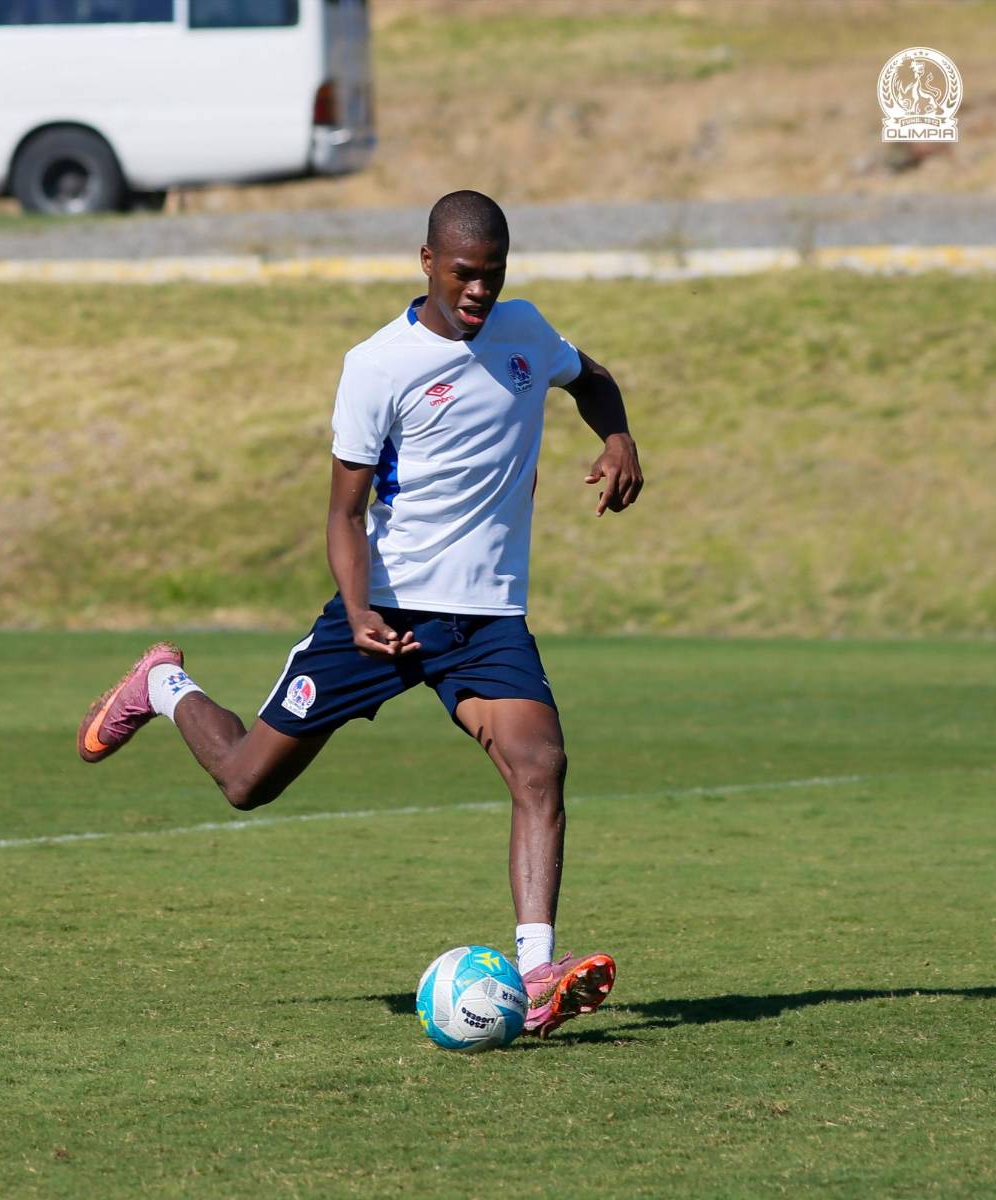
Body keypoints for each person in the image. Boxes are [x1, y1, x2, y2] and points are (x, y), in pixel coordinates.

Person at [77, 191, 643, 1037]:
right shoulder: (379, 365)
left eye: (493, 275)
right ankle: (164, 683)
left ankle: (533, 975)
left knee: (540, 766)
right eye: (464, 275)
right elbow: (343, 515)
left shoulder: (527, 332)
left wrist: (620, 437)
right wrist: (356, 610)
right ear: (426, 263)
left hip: (486, 620)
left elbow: (590, 379)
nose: (480, 292)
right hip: (380, 611)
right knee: (244, 782)